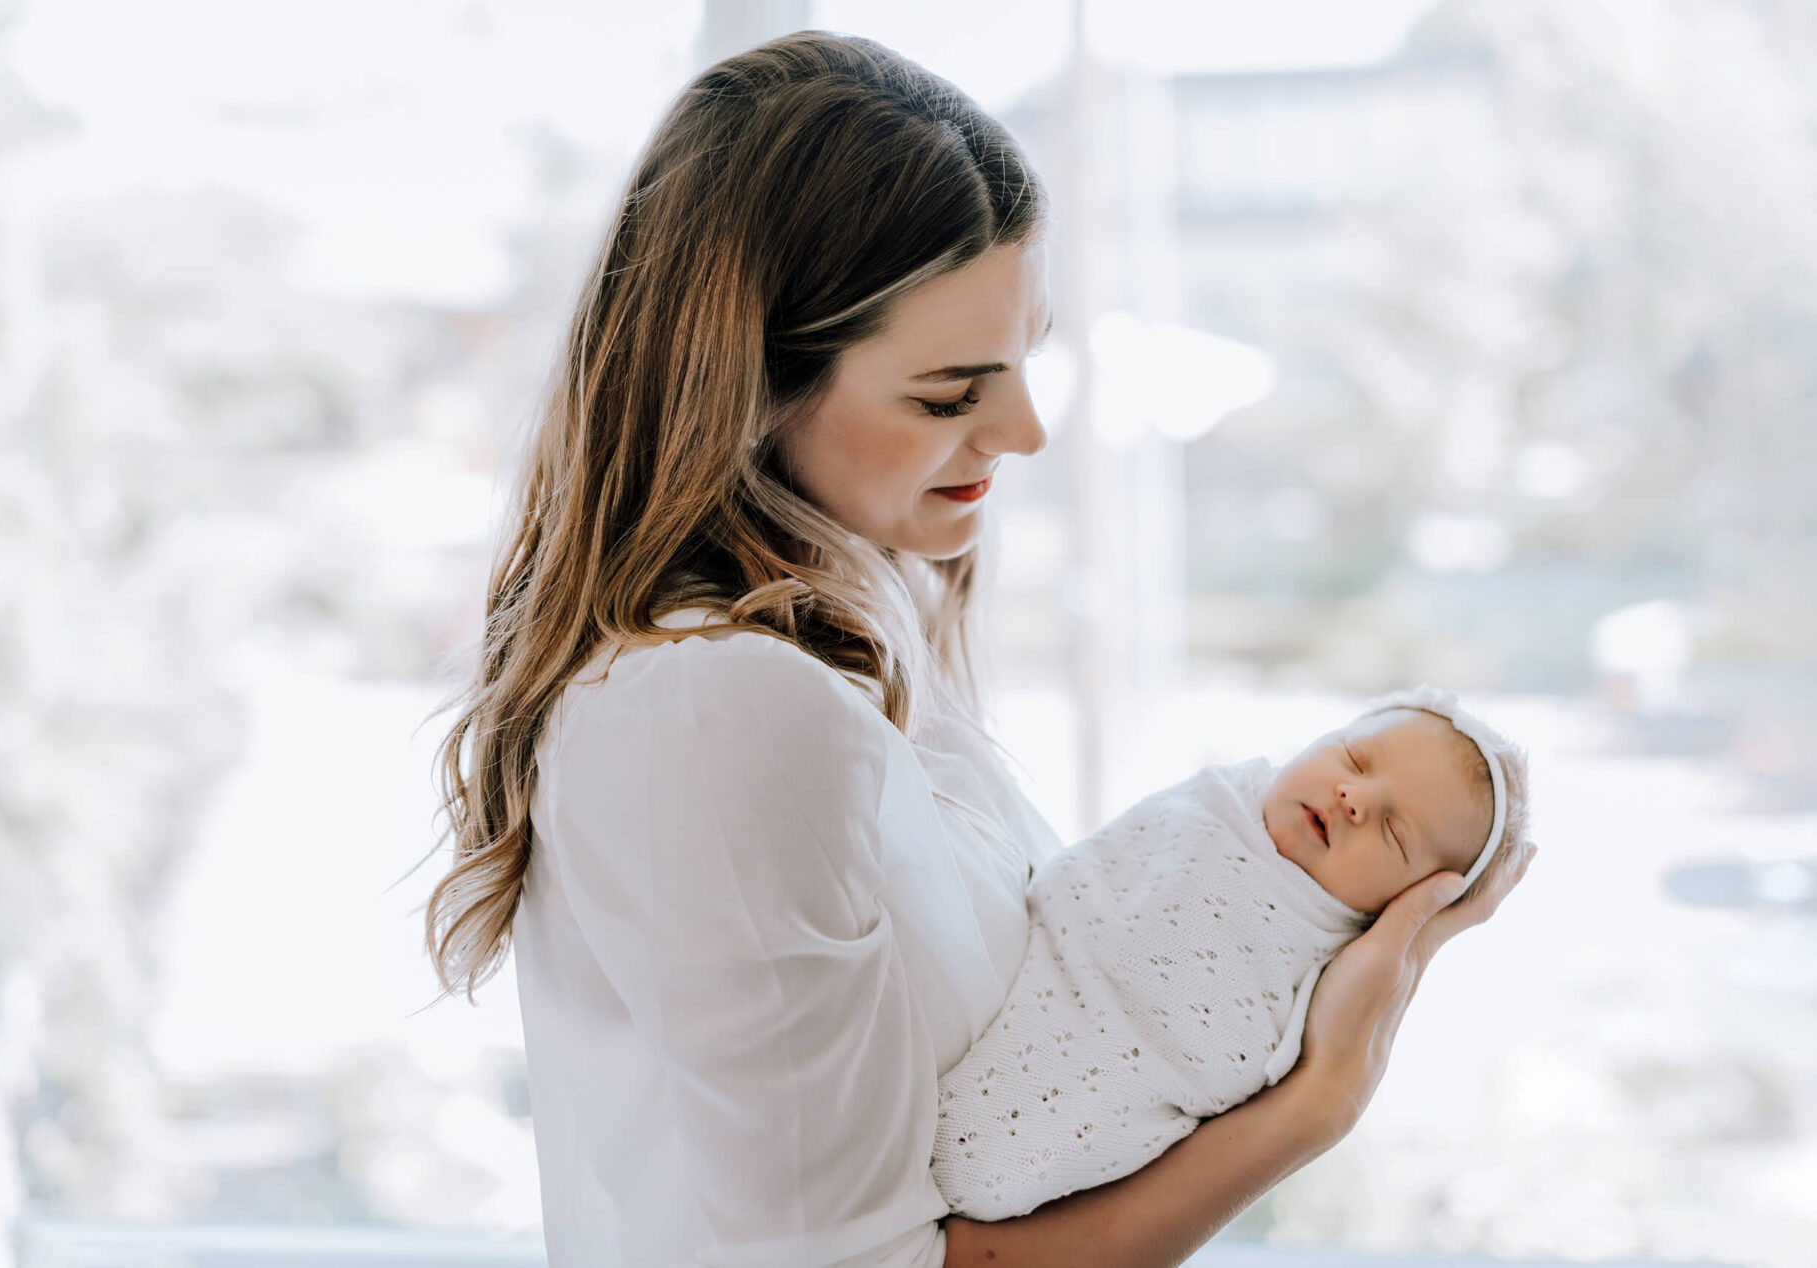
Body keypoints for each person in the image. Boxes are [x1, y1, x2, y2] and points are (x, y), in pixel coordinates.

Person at [423, 30, 1537, 1268]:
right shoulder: (724, 710)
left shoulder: (851, 620)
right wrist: (1316, 1101)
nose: (1024, 429)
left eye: (1023, 361)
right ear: (751, 385)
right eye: (949, 394)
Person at [932, 689, 1532, 1221]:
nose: (1355, 797)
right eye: (1354, 757)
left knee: (986, 1152)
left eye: (1394, 834)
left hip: (1100, 1096)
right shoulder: (1220, 797)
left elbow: (1277, 1080)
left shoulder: (1337, 961)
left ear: (1407, 903)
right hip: (1016, 967)